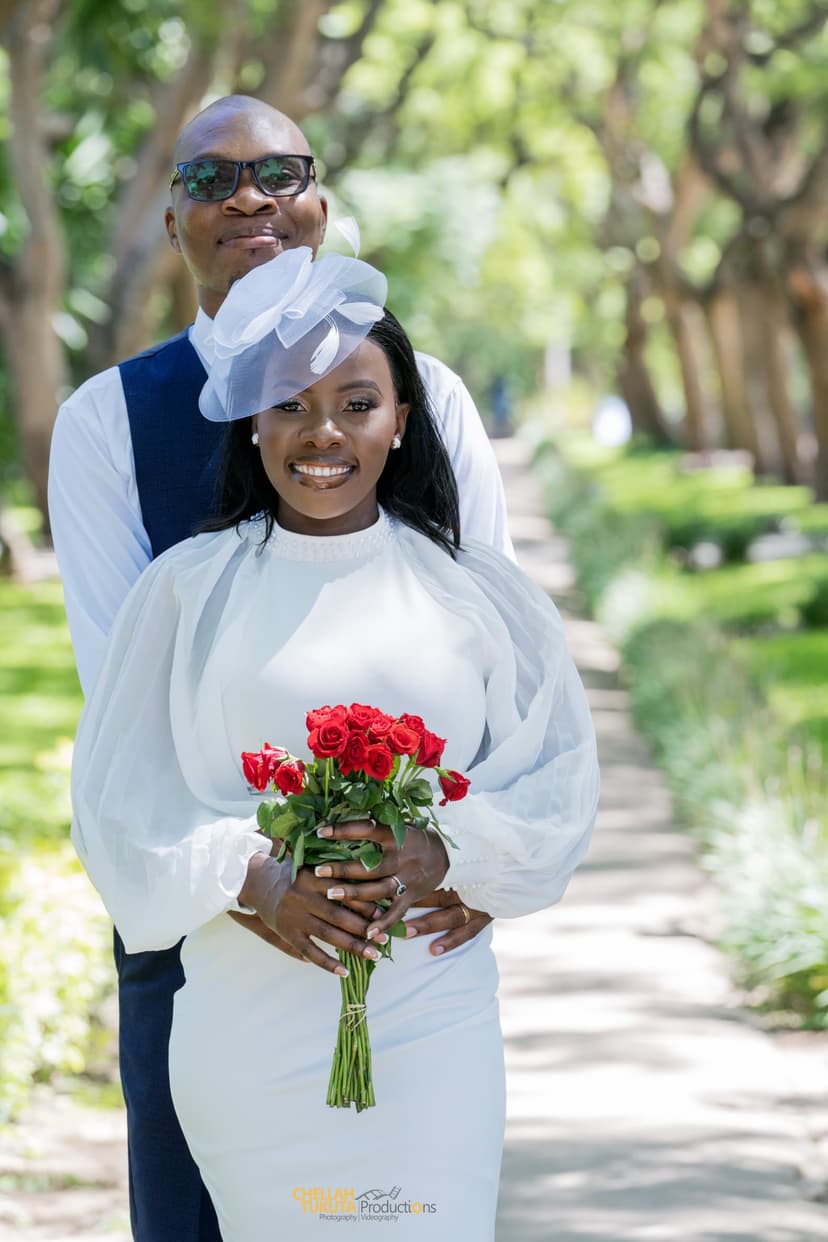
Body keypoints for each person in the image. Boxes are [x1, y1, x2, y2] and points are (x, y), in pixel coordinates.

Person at [48, 96, 514, 1241]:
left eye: (279, 172)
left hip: (404, 924)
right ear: (170, 219)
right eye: (212, 179)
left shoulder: (431, 398)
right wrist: (252, 881)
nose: (248, 197)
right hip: (206, 915)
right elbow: (124, 702)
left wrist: (467, 847)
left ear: (322, 204)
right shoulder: (108, 419)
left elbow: (501, 655)